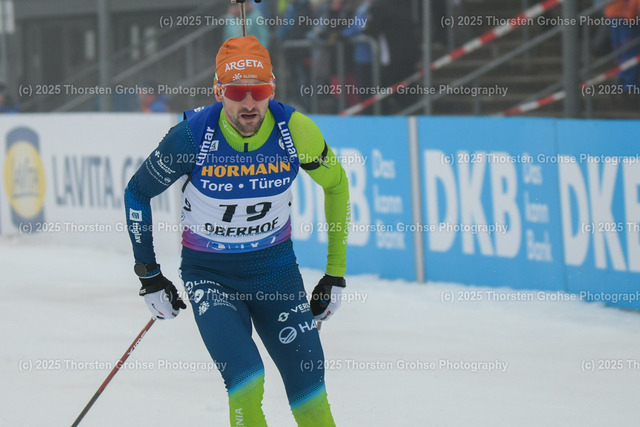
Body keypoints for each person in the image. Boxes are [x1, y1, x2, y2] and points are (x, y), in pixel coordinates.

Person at [124, 36, 350, 426]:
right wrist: (150, 276)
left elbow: (337, 185)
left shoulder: (295, 131)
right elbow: (137, 193)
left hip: (275, 271)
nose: (249, 104)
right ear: (218, 92)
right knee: (247, 378)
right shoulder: (192, 136)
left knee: (310, 390)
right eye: (236, 92)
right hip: (211, 275)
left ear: (272, 89)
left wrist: (335, 274)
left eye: (259, 92)